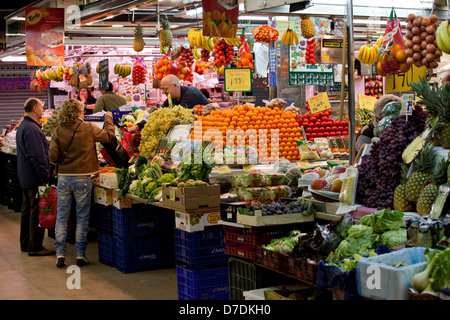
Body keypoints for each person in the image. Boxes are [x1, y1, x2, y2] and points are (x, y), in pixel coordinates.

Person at [49, 99, 115, 268]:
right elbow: (108, 137)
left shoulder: (59, 130)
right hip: (83, 178)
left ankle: (60, 255)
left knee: (62, 218)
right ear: (79, 112)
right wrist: (108, 118)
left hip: (64, 177)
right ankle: (80, 255)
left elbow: (53, 157)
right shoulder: (88, 128)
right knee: (82, 218)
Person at [16, 98, 55, 256]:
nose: (43, 110)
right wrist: (45, 176)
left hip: (26, 176)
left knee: (27, 210)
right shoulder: (32, 129)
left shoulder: (23, 126)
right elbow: (37, 156)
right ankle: (35, 246)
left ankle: (25, 243)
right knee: (37, 211)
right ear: (34, 108)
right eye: (41, 107)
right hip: (34, 177)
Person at [127, 75, 210, 133]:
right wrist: (138, 126)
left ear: (174, 86)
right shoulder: (171, 99)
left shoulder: (191, 94)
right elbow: (158, 114)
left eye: (165, 89)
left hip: (210, 129)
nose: (163, 92)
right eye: (162, 89)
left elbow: (176, 116)